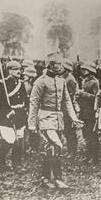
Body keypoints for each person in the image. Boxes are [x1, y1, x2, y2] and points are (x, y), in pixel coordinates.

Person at [28, 51, 83, 189]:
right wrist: (31, 123)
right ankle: (56, 178)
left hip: (58, 119)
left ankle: (47, 179)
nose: (60, 67)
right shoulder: (40, 82)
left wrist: (74, 118)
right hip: (46, 118)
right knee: (56, 145)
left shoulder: (61, 81)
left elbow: (67, 101)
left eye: (60, 64)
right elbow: (34, 103)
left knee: (53, 149)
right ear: (50, 65)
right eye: (57, 64)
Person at [0, 60, 28, 174]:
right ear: (9, 71)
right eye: (15, 69)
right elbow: (0, 101)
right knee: (10, 140)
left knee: (19, 140)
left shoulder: (21, 83)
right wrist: (8, 112)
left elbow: (25, 99)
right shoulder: (2, 84)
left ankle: (16, 164)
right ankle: (1, 160)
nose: (19, 71)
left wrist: (26, 111)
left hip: (20, 115)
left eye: (19, 69)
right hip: (7, 116)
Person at [76, 62, 100, 164]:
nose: (83, 71)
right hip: (84, 111)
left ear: (90, 71)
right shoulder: (84, 81)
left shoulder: (95, 82)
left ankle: (95, 157)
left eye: (85, 69)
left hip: (91, 112)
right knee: (86, 135)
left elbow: (96, 97)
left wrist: (83, 94)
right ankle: (88, 155)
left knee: (92, 135)